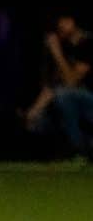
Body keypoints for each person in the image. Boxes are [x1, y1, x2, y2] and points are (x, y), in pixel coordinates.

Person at [22, 8, 93, 160]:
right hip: (71, 98)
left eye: (61, 23)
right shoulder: (66, 46)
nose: (58, 28)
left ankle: (79, 150)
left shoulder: (88, 43)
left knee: (63, 97)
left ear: (71, 22)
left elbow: (71, 82)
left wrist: (56, 53)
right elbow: (53, 85)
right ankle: (75, 148)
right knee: (37, 121)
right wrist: (34, 111)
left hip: (89, 99)